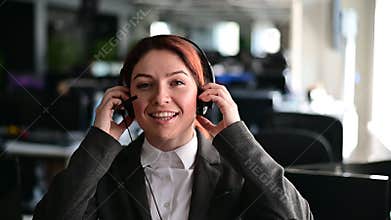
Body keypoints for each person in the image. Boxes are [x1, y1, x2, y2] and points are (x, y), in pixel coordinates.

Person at [33, 35, 313, 220]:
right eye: (144, 85)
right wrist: (98, 141)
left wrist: (238, 137)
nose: (160, 97)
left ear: (203, 95)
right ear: (127, 99)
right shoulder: (104, 171)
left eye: (177, 82)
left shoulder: (236, 171)